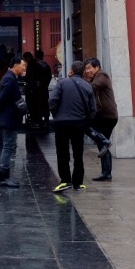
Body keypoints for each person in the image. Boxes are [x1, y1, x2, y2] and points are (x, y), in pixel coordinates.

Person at [49, 60, 97, 192]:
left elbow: (52, 100)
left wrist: (56, 114)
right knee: (78, 153)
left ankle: (65, 180)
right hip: (79, 123)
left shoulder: (62, 83)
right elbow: (93, 109)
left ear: (72, 70)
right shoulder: (88, 86)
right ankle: (78, 182)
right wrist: (86, 121)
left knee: (62, 152)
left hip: (62, 123)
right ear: (83, 72)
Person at [0, 54, 28, 187]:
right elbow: (1, 99)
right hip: (9, 118)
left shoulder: (11, 77)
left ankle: (5, 176)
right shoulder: (9, 79)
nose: (24, 68)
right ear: (16, 65)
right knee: (8, 146)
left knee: (9, 145)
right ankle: (4, 177)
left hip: (10, 117)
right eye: (23, 65)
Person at [83, 58, 119, 181]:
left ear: (97, 67)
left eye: (89, 68)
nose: (87, 71)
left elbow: (91, 87)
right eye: (85, 69)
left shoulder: (102, 75)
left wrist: (79, 83)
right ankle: (106, 173)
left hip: (107, 116)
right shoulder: (95, 77)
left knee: (85, 125)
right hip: (102, 115)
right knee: (102, 144)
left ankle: (106, 171)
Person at [29, 49, 53, 131]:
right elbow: (49, 77)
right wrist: (45, 84)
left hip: (36, 89)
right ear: (43, 56)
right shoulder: (46, 66)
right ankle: (46, 120)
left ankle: (38, 121)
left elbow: (32, 77)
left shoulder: (34, 66)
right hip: (44, 88)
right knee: (45, 104)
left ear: (36, 56)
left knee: (36, 104)